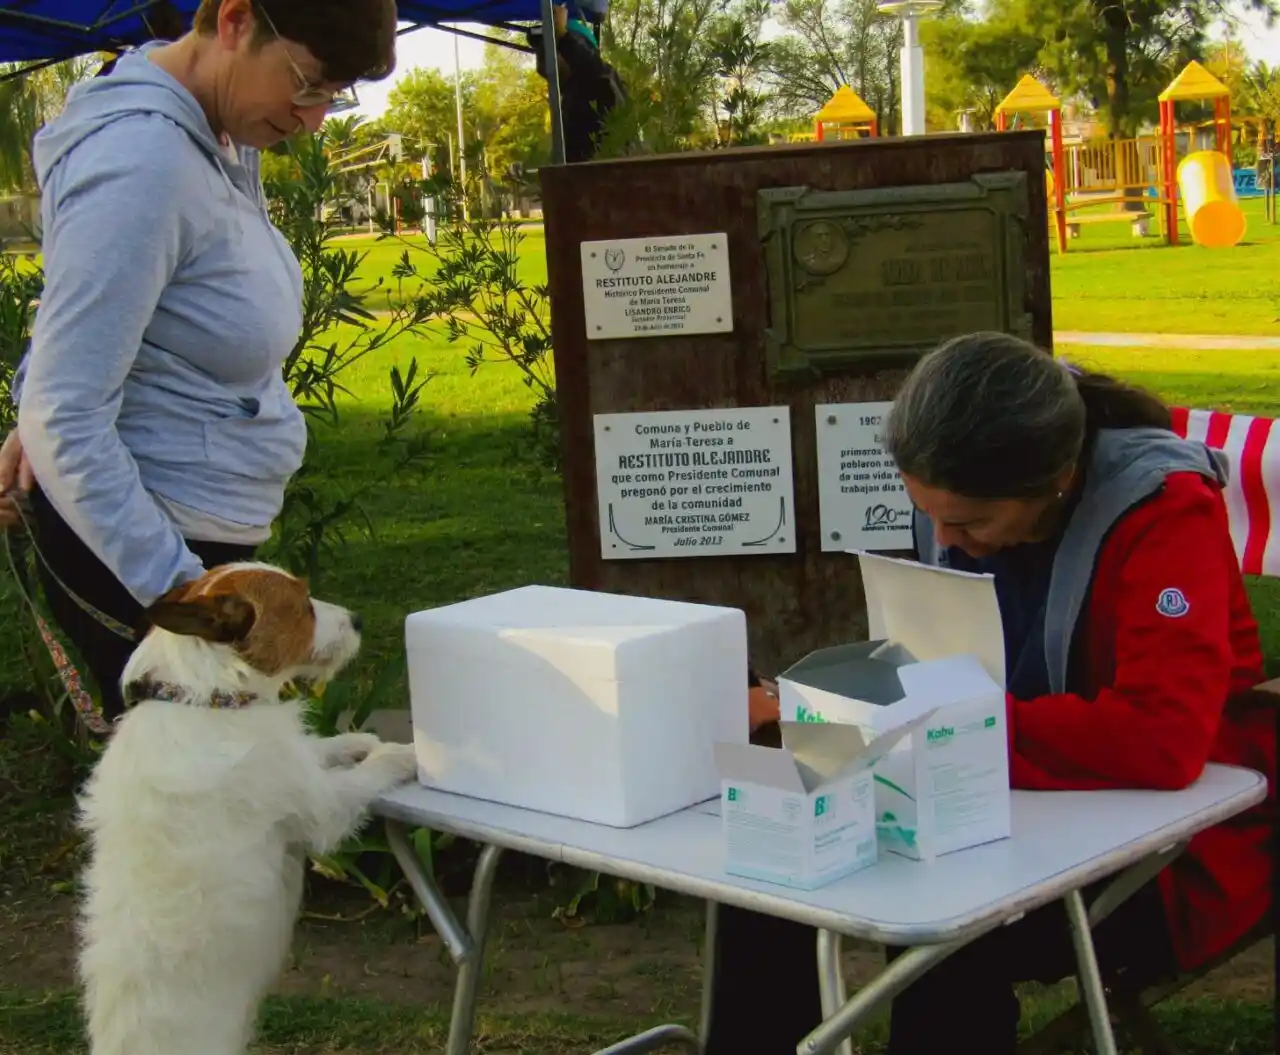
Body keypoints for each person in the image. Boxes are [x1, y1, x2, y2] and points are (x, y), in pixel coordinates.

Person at [704, 332, 1274, 1055]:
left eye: (970, 522)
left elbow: (1163, 736)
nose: (947, 538)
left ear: (1058, 478)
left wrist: (923, 727)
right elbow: (935, 665)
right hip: (992, 794)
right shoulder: (960, 482)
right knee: (770, 863)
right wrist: (826, 713)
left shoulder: (1163, 511)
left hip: (1170, 846)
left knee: (949, 924)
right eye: (929, 515)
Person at [0, 0, 397, 725]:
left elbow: (100, 306)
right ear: (238, 21)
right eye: (306, 84)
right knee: (203, 821)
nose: (310, 121)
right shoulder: (144, 163)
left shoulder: (218, 130)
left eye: (332, 99)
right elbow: (66, 407)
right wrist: (194, 598)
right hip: (154, 553)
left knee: (230, 806)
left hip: (195, 549)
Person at [533, 3, 627, 163]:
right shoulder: (570, 96)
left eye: (552, 46)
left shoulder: (603, 78)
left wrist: (563, 36)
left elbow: (592, 68)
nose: (545, 55)